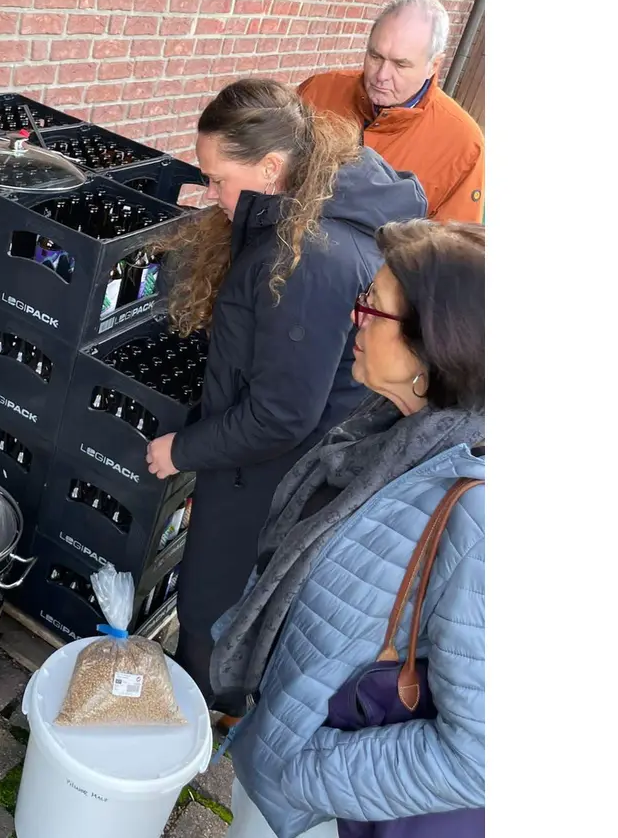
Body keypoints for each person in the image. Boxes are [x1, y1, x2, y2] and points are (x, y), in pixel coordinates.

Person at [143, 79, 427, 724]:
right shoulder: (307, 223)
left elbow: (281, 413)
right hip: (282, 468)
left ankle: (197, 723)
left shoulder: (307, 259)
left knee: (215, 607)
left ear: (272, 168)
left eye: (218, 180)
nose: (211, 195)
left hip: (266, 478)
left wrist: (181, 449)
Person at [210, 220, 486, 838]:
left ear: (435, 346)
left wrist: (301, 773)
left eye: (374, 309)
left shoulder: (478, 514)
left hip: (335, 810)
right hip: (286, 757)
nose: (355, 320)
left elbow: (480, 757)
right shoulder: (386, 429)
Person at [298, 0, 485, 224]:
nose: (381, 76)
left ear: (433, 65)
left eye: (400, 64)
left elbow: (451, 248)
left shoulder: (463, 146)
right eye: (375, 56)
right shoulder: (317, 91)